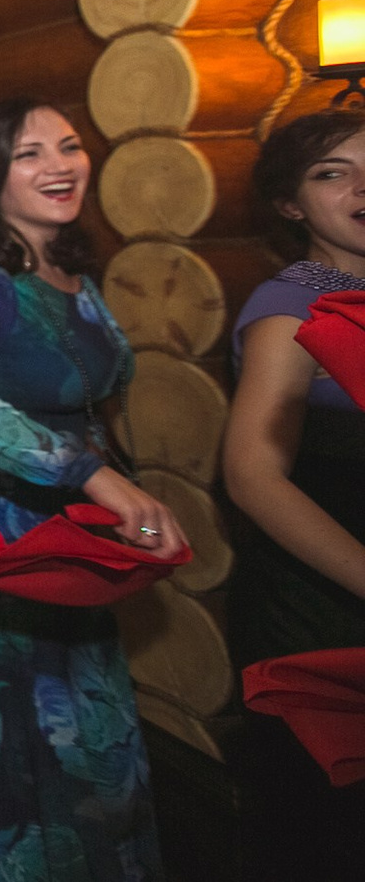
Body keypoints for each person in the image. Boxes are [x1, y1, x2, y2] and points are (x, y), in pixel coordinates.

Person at [0, 97, 185, 882]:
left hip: (70, 533)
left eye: (70, 146)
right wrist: (88, 473)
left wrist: (115, 490)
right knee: (6, 749)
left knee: (81, 733)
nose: (59, 165)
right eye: (29, 153)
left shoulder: (71, 271)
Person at [222, 109, 365, 876]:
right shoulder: (293, 307)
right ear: (290, 204)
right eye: (332, 173)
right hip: (320, 607)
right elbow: (251, 474)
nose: (362, 187)